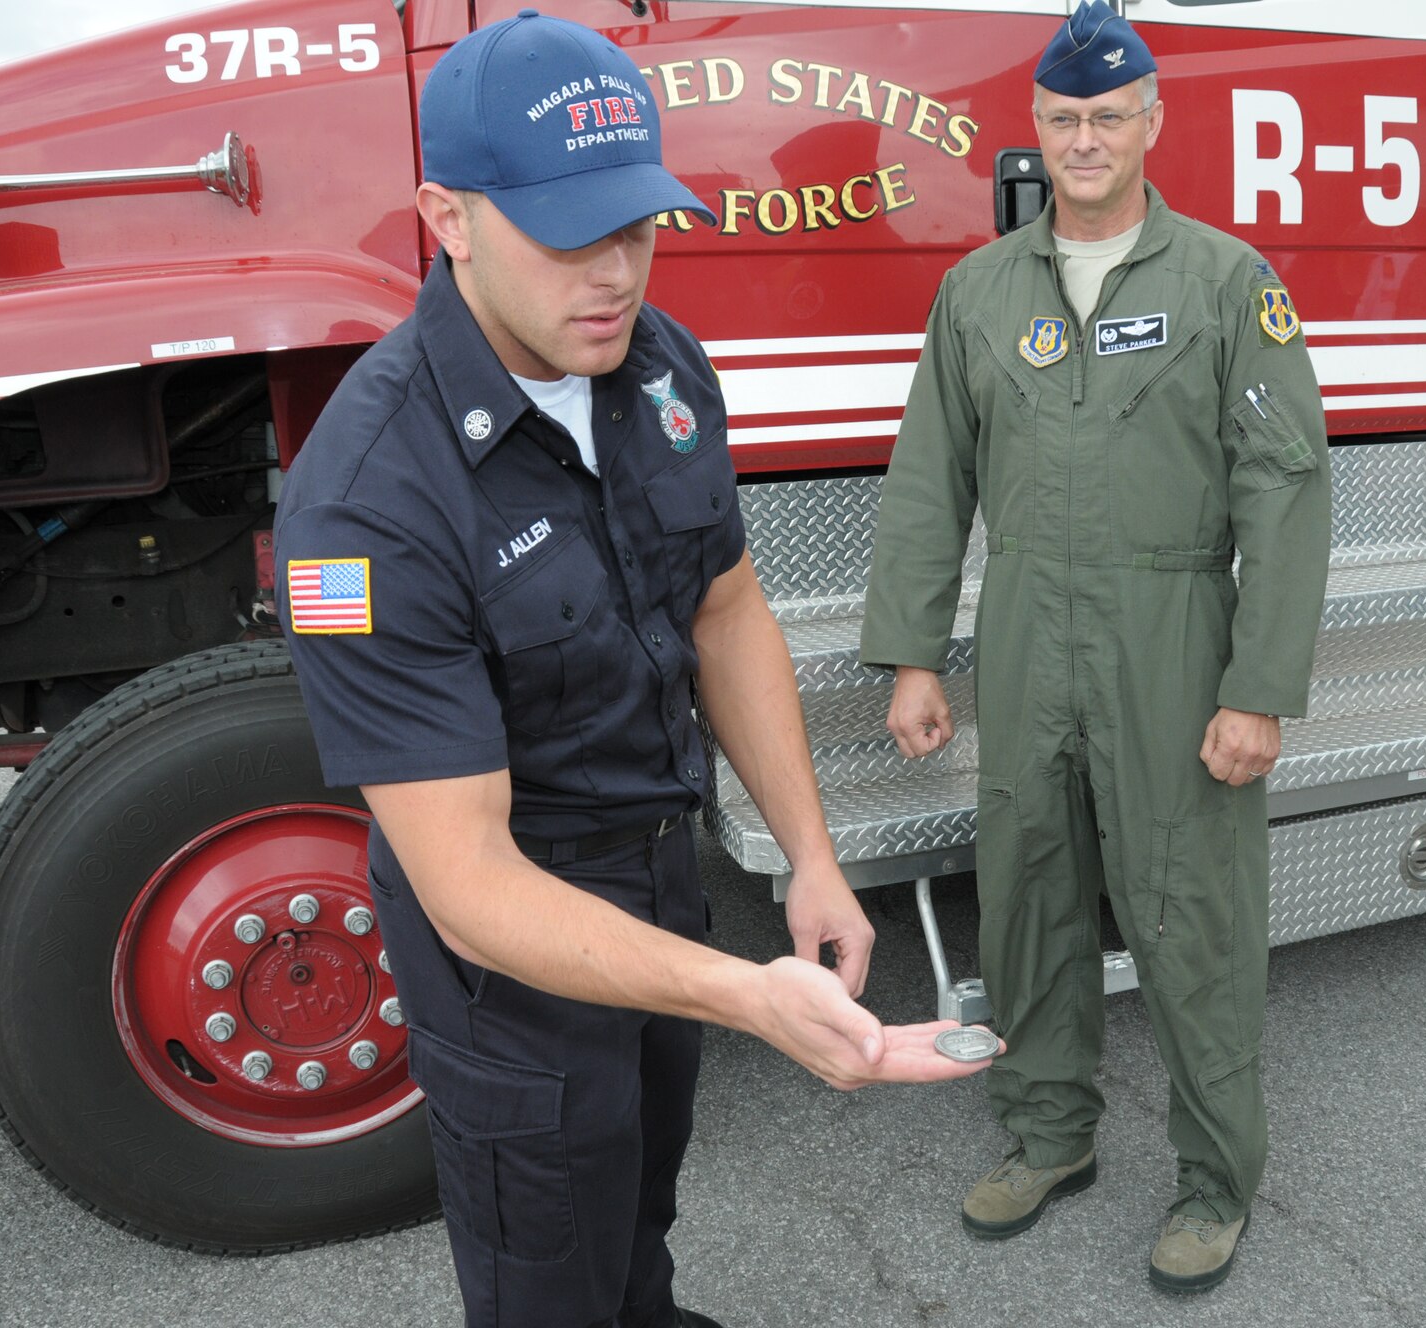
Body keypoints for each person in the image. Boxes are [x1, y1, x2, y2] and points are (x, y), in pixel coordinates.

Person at [274, 13, 989, 1327]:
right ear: (452, 216)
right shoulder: (369, 504)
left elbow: (725, 610)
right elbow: (472, 882)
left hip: (663, 878)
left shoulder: (657, 364)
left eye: (639, 226)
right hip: (515, 965)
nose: (614, 274)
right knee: (548, 1265)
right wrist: (739, 994)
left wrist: (811, 859)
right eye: (568, 233)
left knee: (639, 1205)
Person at [858, 0, 1331, 1296]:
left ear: (1150, 122)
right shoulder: (978, 292)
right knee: (1028, 891)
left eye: (1107, 116)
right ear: (1038, 128)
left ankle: (1216, 1176)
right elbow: (926, 482)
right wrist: (913, 658)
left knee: (1193, 914)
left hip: (1171, 628)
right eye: (1064, 118)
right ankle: (1051, 1133)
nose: (1085, 138)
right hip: (1025, 625)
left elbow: (1284, 490)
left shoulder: (1227, 283)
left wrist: (1259, 689)